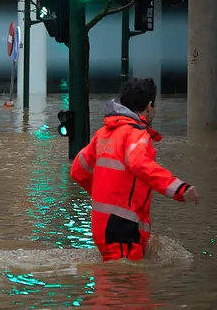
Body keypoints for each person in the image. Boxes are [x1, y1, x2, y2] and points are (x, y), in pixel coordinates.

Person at [70, 78, 199, 262]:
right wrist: (178, 189)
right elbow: (139, 163)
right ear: (148, 106)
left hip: (103, 226)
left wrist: (106, 194)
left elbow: (78, 170)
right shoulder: (136, 134)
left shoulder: (103, 134)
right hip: (123, 228)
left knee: (113, 281)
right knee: (129, 286)